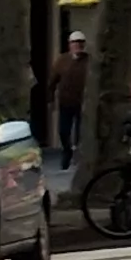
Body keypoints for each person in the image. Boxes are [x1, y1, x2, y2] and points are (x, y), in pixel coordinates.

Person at [47, 32, 90, 162]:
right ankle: (67, 149)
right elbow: (53, 81)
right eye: (75, 42)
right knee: (63, 130)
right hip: (66, 101)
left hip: (83, 101)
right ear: (70, 44)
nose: (78, 45)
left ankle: (78, 153)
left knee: (81, 130)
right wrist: (50, 99)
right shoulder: (62, 60)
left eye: (80, 42)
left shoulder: (89, 61)